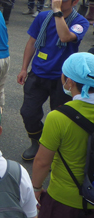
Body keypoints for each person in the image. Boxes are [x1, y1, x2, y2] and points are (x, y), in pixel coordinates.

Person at [17, 0, 90, 161]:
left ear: (74, 2)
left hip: (64, 79)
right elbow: (32, 42)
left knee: (59, 116)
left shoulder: (81, 22)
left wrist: (58, 13)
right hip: (38, 73)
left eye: (61, 1)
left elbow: (65, 37)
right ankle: (38, 141)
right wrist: (24, 68)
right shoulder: (43, 17)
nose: (55, 2)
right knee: (28, 112)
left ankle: (54, 150)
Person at [32, 52, 94, 216]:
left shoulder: (58, 117)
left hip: (64, 200)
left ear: (70, 82)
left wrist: (36, 189)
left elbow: (42, 162)